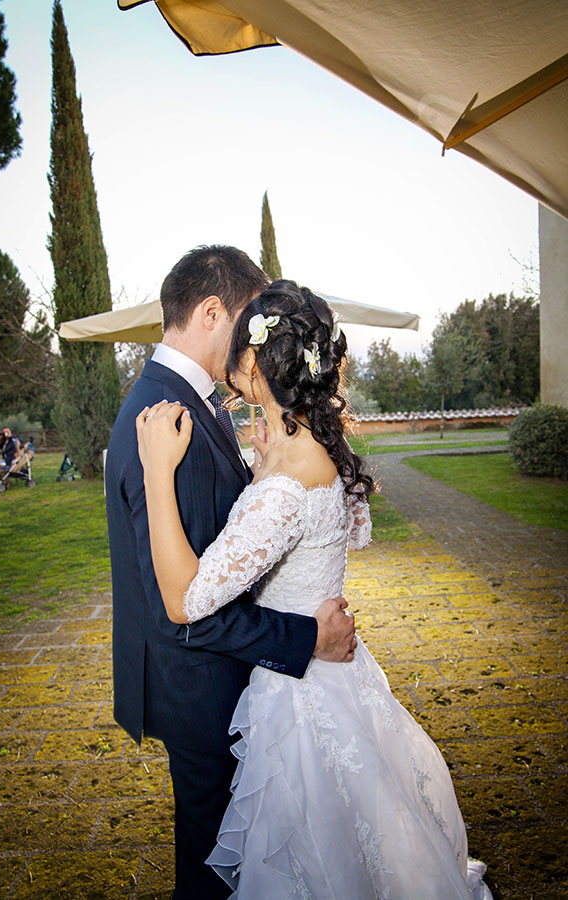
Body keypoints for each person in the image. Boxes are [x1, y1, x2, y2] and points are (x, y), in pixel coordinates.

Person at [137, 280, 492, 900]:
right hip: (336, 672)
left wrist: (157, 471)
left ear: (255, 361)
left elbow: (184, 599)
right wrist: (264, 465)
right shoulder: (311, 447)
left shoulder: (285, 483)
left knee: (314, 855)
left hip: (298, 694)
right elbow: (347, 527)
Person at [105, 247, 356, 900]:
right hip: (202, 688)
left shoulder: (193, 400)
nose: (255, 344)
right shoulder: (168, 417)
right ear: (213, 311)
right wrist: (308, 640)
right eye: (248, 322)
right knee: (217, 869)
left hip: (228, 678)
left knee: (245, 859)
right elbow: (181, 602)